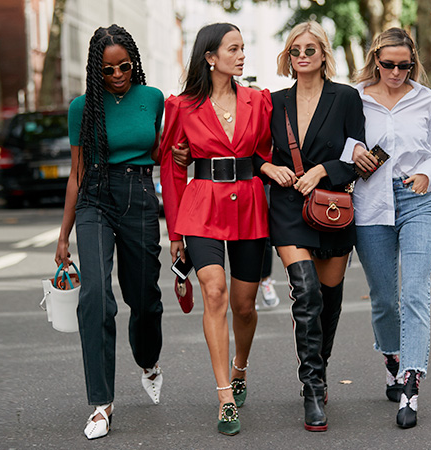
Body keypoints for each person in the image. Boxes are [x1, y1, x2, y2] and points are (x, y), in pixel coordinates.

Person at [159, 22, 276, 436]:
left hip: (248, 206)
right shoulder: (181, 107)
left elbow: (264, 153)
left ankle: (240, 368)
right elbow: (172, 170)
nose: (242, 55)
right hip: (201, 207)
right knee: (214, 290)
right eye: (233, 49)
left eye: (243, 48)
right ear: (210, 57)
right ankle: (225, 395)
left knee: (244, 306)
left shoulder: (259, 101)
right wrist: (175, 234)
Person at [54, 25, 164, 440]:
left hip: (138, 194)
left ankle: (148, 360)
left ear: (133, 63)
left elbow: (157, 150)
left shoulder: (153, 99)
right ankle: (101, 404)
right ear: (94, 70)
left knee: (145, 298)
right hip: (94, 197)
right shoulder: (83, 107)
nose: (117, 75)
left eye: (124, 67)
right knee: (96, 298)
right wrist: (64, 236)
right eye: (107, 70)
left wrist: (176, 152)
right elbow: (77, 171)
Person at [267, 20, 364, 432]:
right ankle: (311, 388)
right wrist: (270, 167)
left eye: (310, 49)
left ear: (324, 54)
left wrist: (323, 169)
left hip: (332, 206)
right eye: (295, 50)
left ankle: (320, 370)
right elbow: (254, 153)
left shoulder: (346, 98)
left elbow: (361, 157)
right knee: (304, 292)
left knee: (328, 300)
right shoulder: (273, 102)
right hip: (289, 207)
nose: (302, 56)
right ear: (288, 57)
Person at [347, 27, 431, 430]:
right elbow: (339, 139)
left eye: (404, 65)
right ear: (375, 60)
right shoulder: (354, 97)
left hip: (418, 200)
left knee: (415, 293)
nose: (396, 72)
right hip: (371, 203)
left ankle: (411, 381)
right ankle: (392, 355)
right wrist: (352, 151)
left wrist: (425, 172)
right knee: (385, 298)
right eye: (388, 64)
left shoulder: (428, 100)